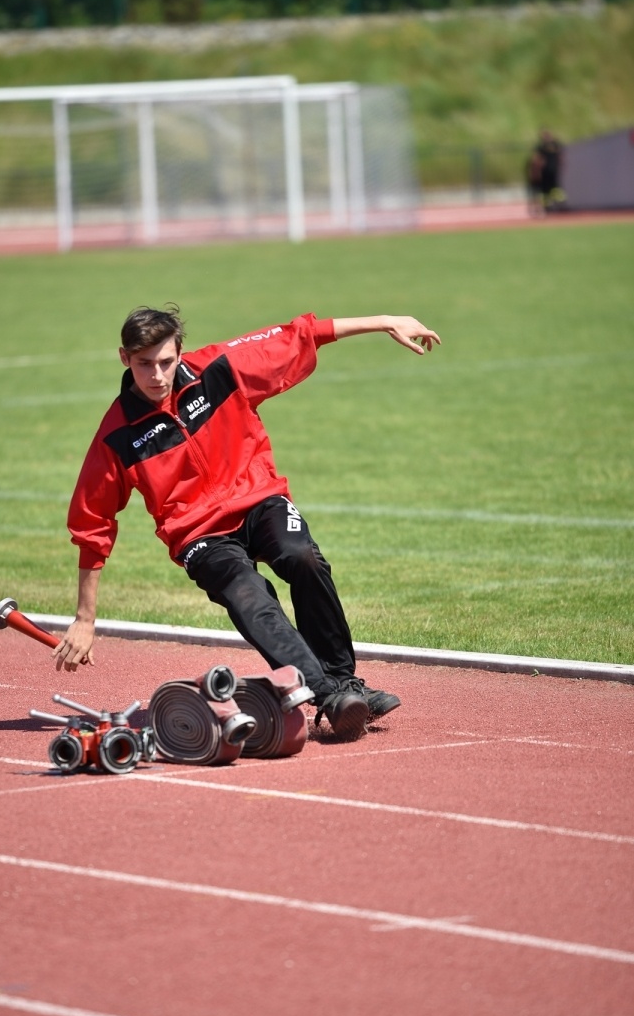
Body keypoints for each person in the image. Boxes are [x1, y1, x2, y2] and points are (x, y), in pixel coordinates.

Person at [54, 306, 440, 740]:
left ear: (181, 353)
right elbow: (92, 523)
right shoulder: (116, 435)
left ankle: (344, 681)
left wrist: (386, 320)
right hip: (198, 534)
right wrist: (85, 618)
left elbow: (299, 335)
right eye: (144, 364)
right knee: (250, 596)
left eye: (166, 362)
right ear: (124, 358)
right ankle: (330, 696)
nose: (157, 375)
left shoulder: (219, 369)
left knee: (302, 558)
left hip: (258, 498)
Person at [526, 130, 566, 214]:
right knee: (548, 191)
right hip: (546, 172)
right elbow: (537, 160)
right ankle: (549, 207)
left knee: (553, 190)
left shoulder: (555, 144)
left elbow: (560, 157)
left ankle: (557, 206)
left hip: (552, 171)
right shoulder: (541, 146)